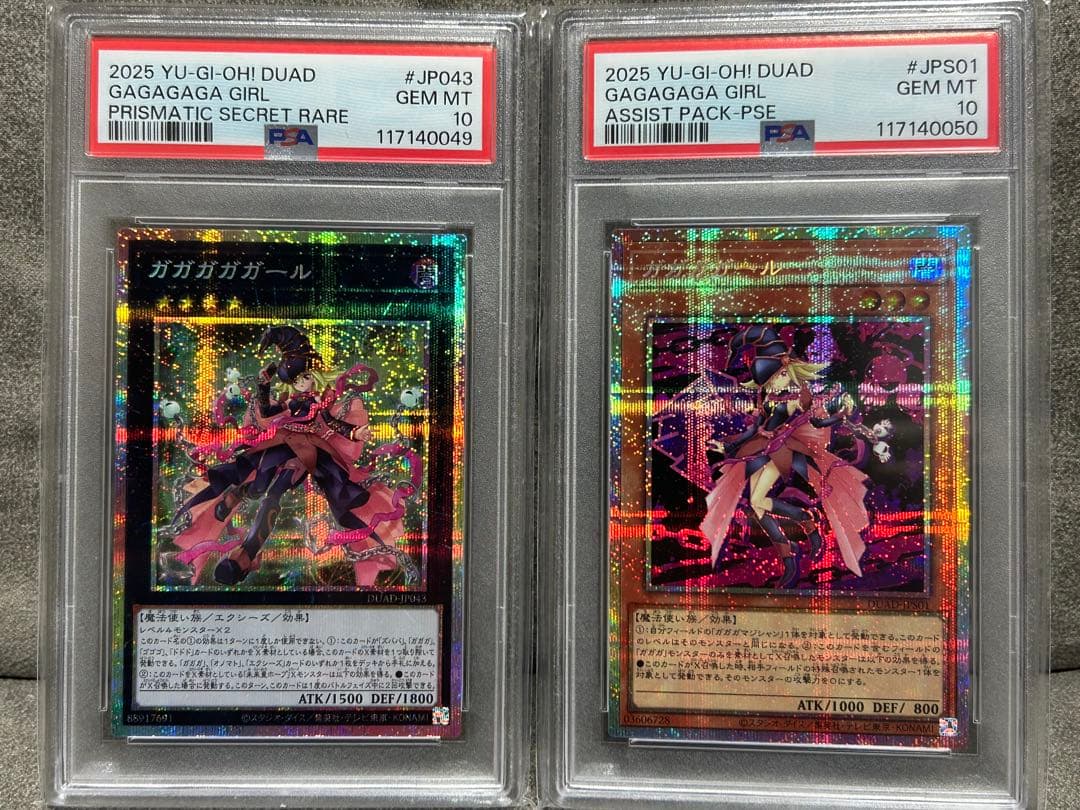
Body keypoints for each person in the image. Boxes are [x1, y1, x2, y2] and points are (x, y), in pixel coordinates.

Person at [169, 325, 415, 586]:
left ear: (314, 375)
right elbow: (266, 412)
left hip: (306, 452)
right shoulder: (292, 402)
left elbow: (332, 423)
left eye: (304, 377)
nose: (300, 383)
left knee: (274, 493)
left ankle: (249, 549)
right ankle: (238, 497)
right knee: (259, 484)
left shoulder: (320, 402)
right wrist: (264, 386)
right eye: (295, 380)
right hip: (282, 443)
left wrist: (355, 433)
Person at [699, 325, 870, 589]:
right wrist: (726, 445)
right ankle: (798, 537)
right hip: (761, 448)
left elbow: (818, 422)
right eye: (766, 381)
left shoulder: (796, 397)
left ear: (785, 371)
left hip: (784, 450)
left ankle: (798, 538)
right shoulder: (767, 397)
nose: (772, 384)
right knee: (757, 506)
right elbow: (754, 430)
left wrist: (840, 414)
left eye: (774, 378)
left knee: (757, 501)